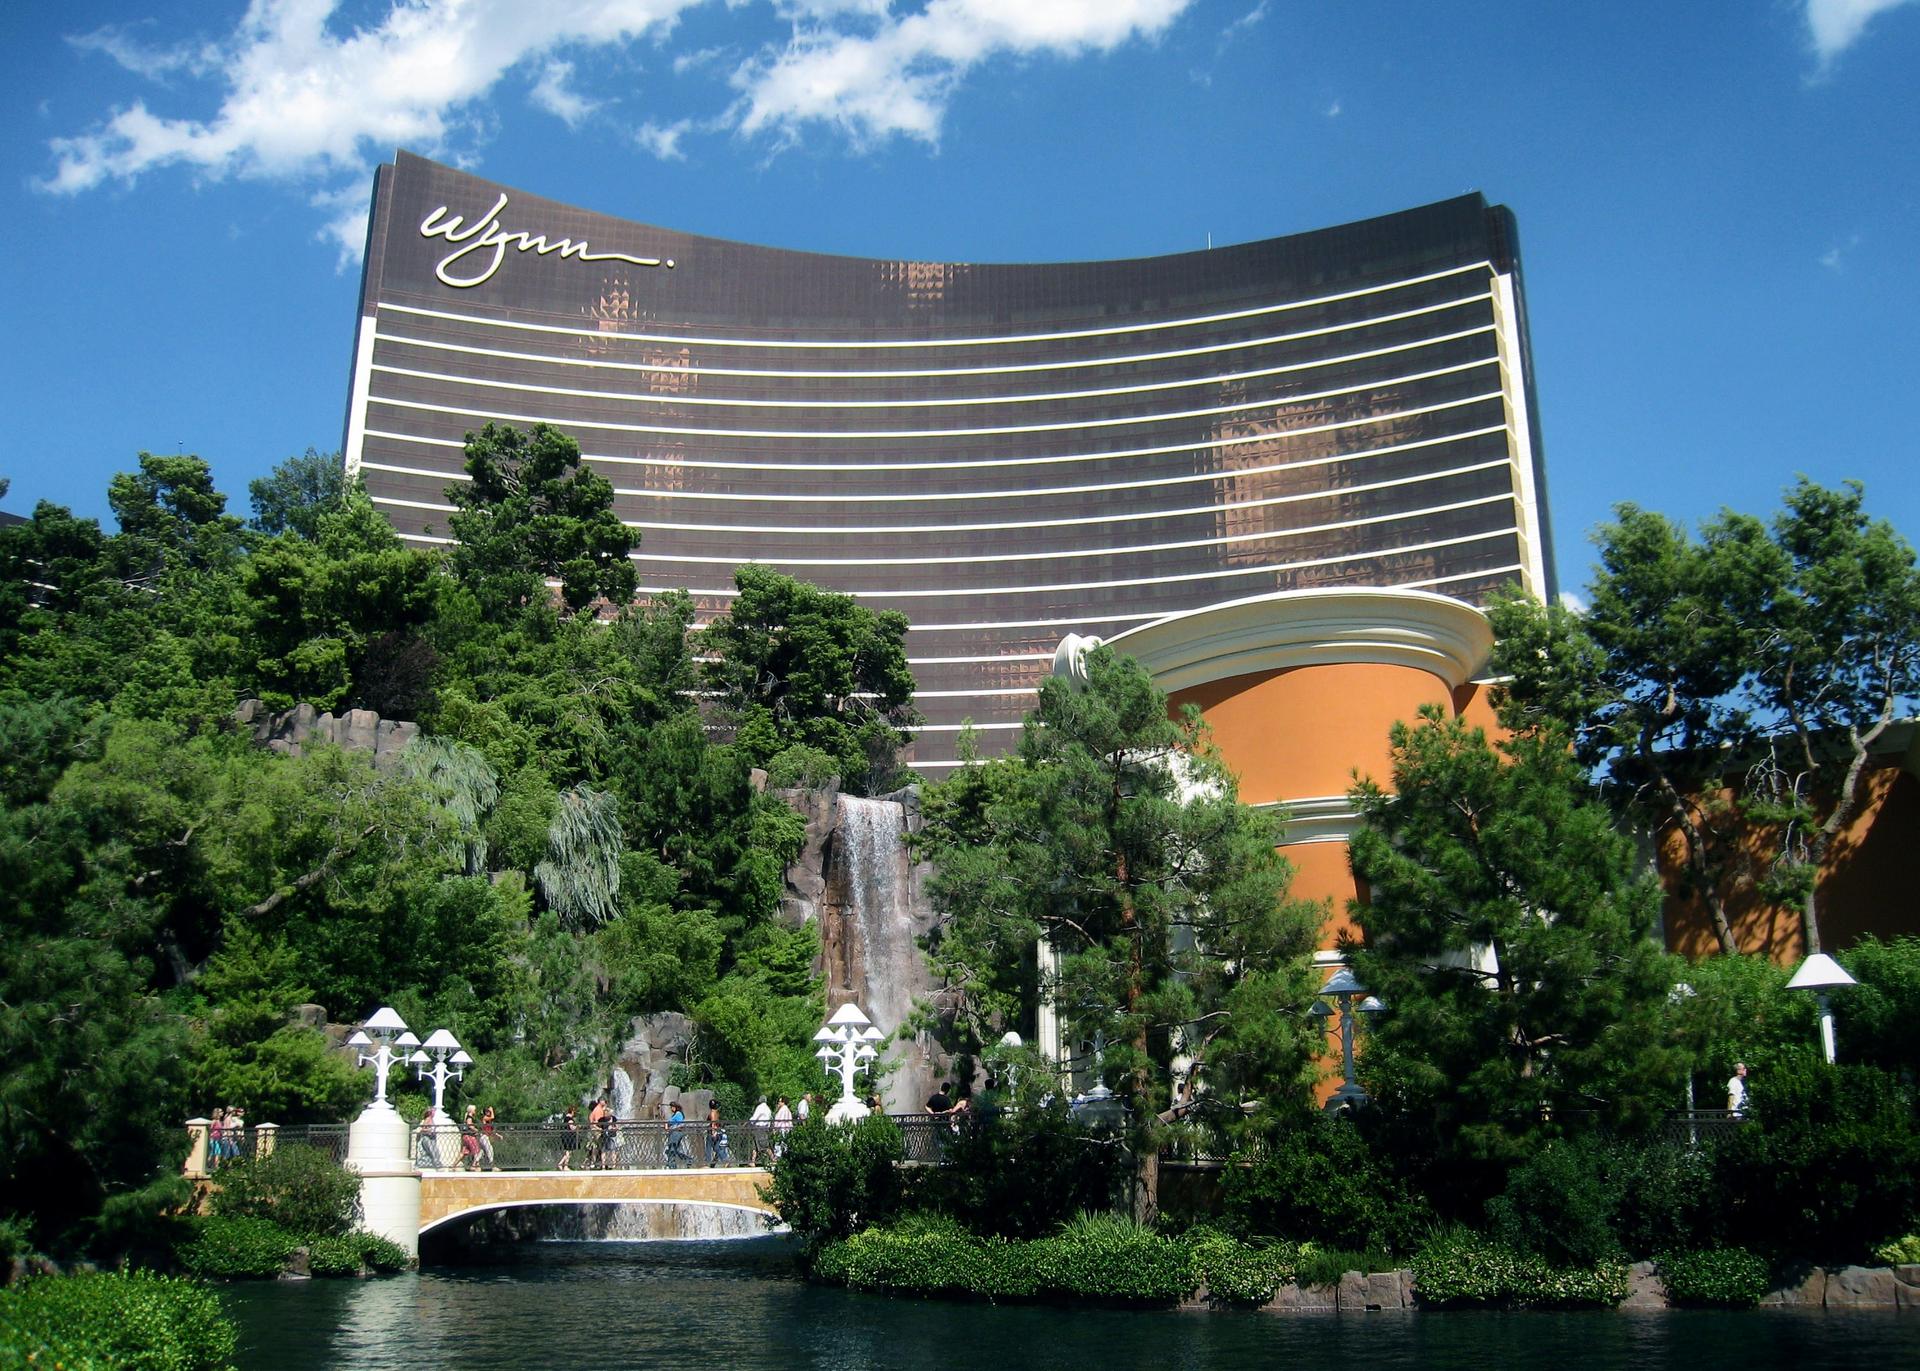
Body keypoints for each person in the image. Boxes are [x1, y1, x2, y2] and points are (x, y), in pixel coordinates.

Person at [748, 1096, 773, 1166]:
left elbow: (754, 1117)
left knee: (764, 1145)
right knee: (755, 1146)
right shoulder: (768, 1109)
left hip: (759, 1128)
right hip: (765, 1128)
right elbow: (769, 1120)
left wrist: (749, 1122)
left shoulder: (760, 1107)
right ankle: (753, 1161)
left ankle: (773, 1158)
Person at [666, 1100, 689, 1169]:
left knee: (673, 1149)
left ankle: (688, 1160)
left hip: (676, 1133)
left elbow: (680, 1124)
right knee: (675, 1149)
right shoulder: (676, 1114)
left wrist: (669, 1126)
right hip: (674, 1133)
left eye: (672, 1107)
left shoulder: (678, 1114)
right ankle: (672, 1164)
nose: (671, 1109)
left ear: (675, 1107)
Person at [707, 1099, 729, 1167]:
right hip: (718, 1132)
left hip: (713, 1132)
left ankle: (707, 1162)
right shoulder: (716, 1112)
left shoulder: (712, 1113)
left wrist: (713, 1132)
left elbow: (713, 1123)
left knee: (709, 1147)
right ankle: (723, 1160)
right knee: (717, 1147)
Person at [460, 1105, 483, 1171]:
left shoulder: (468, 1117)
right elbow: (470, 1125)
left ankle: (453, 1166)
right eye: (474, 1110)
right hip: (469, 1136)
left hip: (466, 1136)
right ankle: (474, 1166)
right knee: (477, 1151)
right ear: (471, 1110)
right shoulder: (469, 1117)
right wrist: (476, 1130)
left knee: (463, 1152)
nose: (475, 1111)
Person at [479, 1105, 499, 1171]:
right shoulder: (485, 1118)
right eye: (487, 1111)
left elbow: (491, 1131)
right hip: (484, 1137)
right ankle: (493, 1166)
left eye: (489, 1111)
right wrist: (491, 1109)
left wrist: (498, 1135)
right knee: (490, 1150)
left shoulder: (489, 1121)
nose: (488, 1112)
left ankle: (475, 1164)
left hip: (485, 1137)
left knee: (481, 1152)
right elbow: (492, 1117)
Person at [559, 1105, 579, 1170]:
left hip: (565, 1136)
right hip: (568, 1137)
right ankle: (565, 1165)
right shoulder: (569, 1119)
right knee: (568, 1151)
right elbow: (572, 1128)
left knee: (568, 1151)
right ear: (572, 1111)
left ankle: (561, 1164)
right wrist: (577, 1127)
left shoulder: (565, 1118)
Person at [208, 1108, 226, 1173]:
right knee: (218, 1152)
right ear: (217, 1113)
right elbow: (210, 1129)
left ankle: (207, 1164)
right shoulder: (214, 1121)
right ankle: (217, 1167)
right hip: (213, 1139)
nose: (222, 1112)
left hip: (218, 1139)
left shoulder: (220, 1121)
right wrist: (212, 1135)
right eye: (221, 1111)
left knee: (212, 1153)